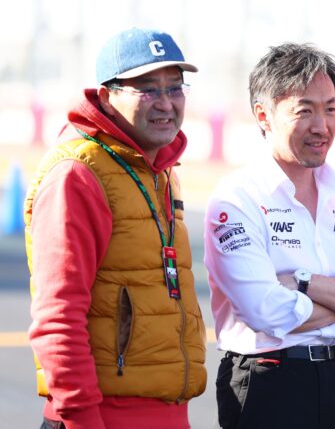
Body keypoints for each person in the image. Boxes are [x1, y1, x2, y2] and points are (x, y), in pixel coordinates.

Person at [203, 42, 335, 429]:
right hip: (266, 383)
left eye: (330, 108)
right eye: (304, 111)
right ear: (264, 115)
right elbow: (265, 310)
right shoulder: (237, 199)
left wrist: (302, 283)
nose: (322, 126)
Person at [23, 28, 207, 429]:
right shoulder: (79, 173)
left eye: (175, 88)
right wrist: (84, 419)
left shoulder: (160, 171)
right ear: (108, 97)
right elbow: (58, 315)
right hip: (101, 417)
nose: (166, 103)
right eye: (147, 89)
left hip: (167, 414)